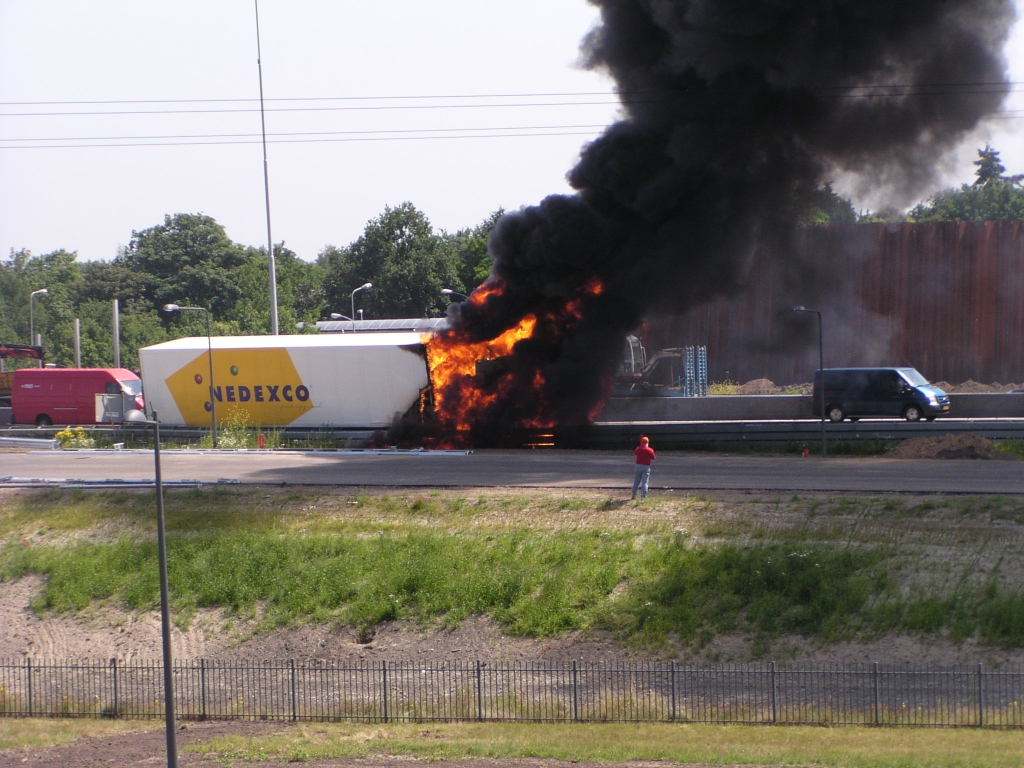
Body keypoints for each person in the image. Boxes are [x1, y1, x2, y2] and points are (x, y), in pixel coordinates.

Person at [631, 435, 656, 500]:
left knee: (636, 481)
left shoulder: (638, 448)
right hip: (646, 467)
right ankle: (643, 496)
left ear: (642, 442)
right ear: (647, 442)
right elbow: (653, 457)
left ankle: (633, 495)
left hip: (638, 466)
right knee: (644, 482)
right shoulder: (650, 450)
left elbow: (635, 454)